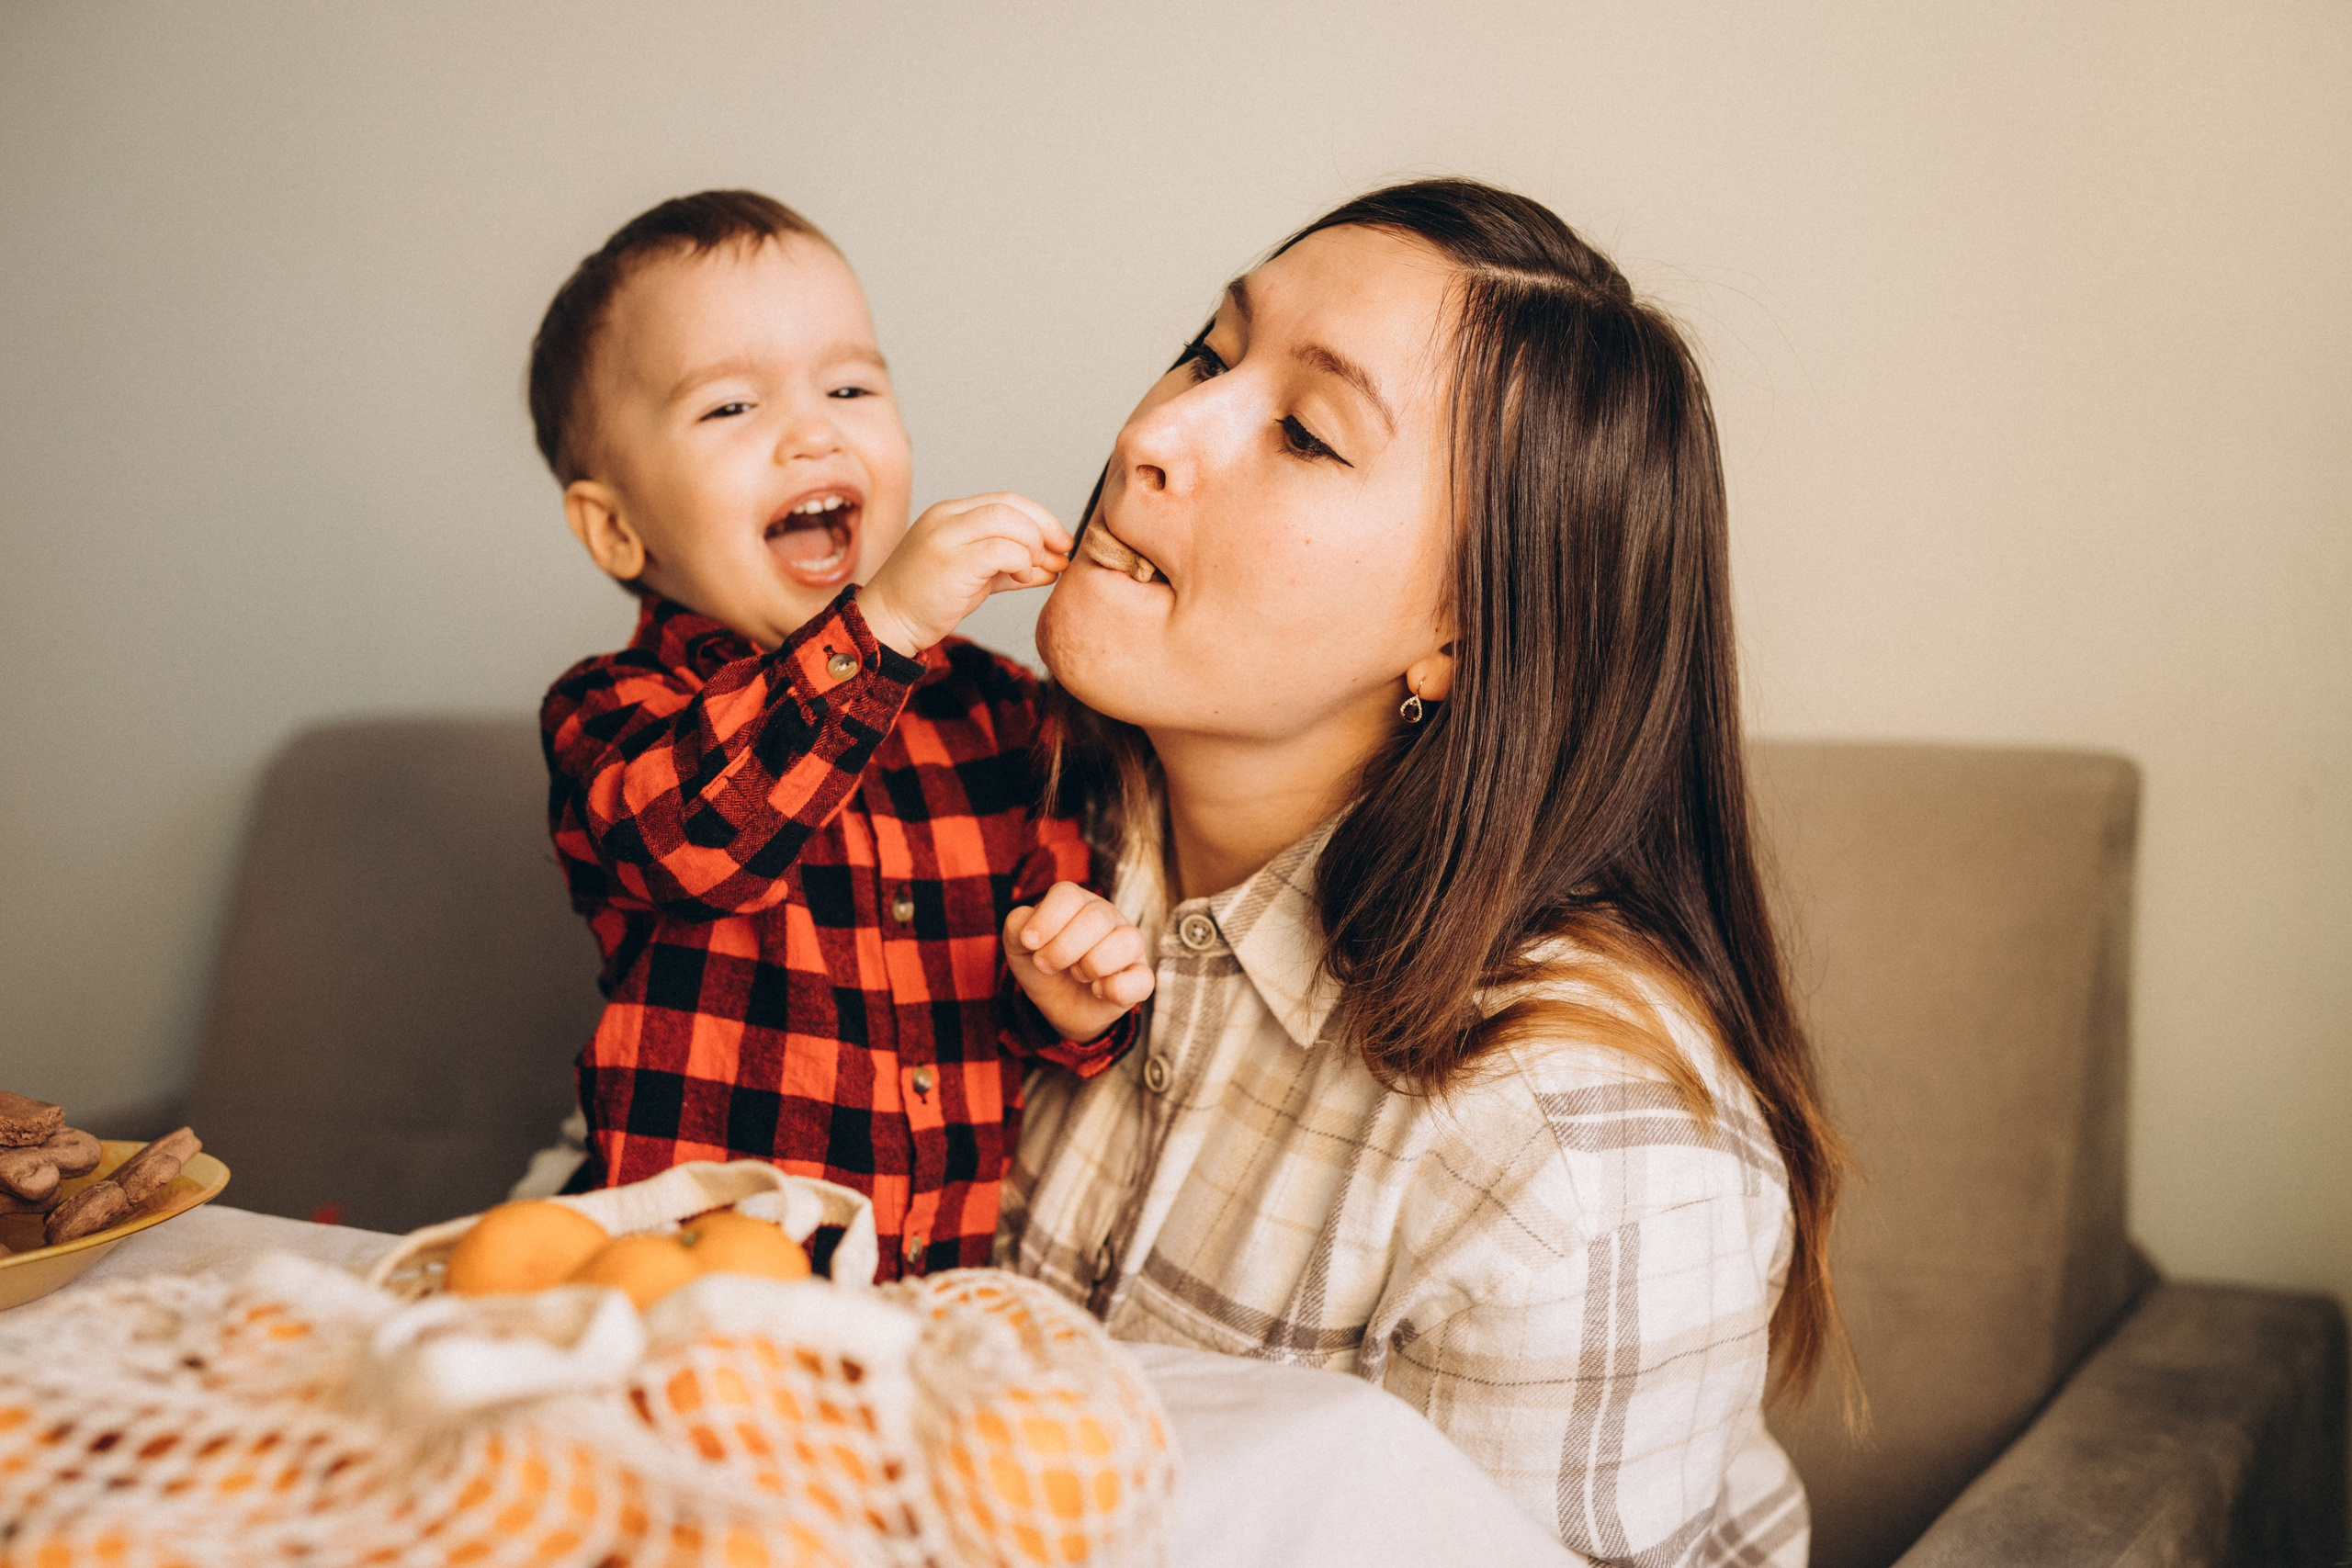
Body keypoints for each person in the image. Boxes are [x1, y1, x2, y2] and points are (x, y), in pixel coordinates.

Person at [998, 178, 1849, 1563]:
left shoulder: (1578, 1161)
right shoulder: (975, 825)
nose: (1151, 430)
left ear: (1462, 625)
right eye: (1210, 352)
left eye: (1305, 433)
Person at [530, 190, 1152, 1280]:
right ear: (616, 526)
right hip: (684, 1295)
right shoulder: (616, 713)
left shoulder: (1005, 714)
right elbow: (692, 839)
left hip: (925, 1295)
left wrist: (1066, 997)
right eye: (728, 408)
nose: (813, 430)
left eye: (850, 386)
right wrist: (890, 624)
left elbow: (1034, 987)